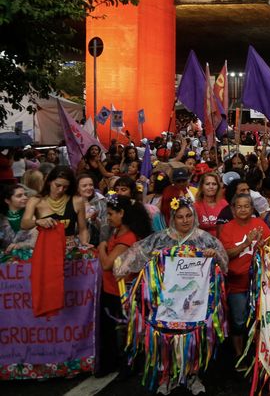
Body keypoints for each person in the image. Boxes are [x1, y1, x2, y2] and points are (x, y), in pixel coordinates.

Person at [114, 198, 228, 395]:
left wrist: (214, 255)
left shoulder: (205, 239)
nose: (185, 220)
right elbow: (134, 255)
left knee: (192, 338)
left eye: (189, 216)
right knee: (166, 338)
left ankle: (192, 376)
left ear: (194, 216)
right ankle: (166, 377)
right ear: (172, 218)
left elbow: (224, 265)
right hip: (165, 300)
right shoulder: (160, 238)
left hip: (195, 301)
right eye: (180, 217)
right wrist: (135, 263)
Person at [96, 195, 152, 377]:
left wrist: (101, 248)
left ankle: (127, 365)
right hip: (111, 288)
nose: (108, 218)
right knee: (116, 330)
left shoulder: (127, 238)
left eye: (111, 214)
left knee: (123, 330)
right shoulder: (118, 232)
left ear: (122, 213)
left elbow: (107, 264)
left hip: (121, 292)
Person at [218, 193, 270, 359]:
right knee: (239, 321)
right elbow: (225, 255)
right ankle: (239, 355)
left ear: (252, 208)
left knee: (259, 319)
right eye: (239, 206)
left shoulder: (259, 224)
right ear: (233, 209)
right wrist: (246, 243)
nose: (242, 209)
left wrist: (263, 246)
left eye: (246, 206)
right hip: (236, 284)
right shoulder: (227, 229)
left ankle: (258, 354)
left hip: (259, 283)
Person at [20, 166, 89, 244]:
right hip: (47, 247)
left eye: (65, 187)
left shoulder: (77, 201)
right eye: (58, 185)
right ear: (49, 182)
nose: (61, 190)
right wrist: (37, 222)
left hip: (69, 249)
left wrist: (84, 244)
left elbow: (83, 229)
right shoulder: (35, 201)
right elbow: (24, 224)